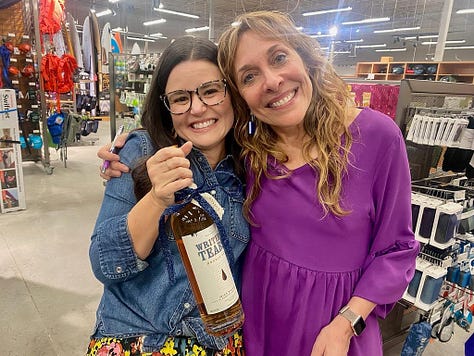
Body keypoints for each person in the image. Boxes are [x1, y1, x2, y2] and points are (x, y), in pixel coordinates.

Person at [99, 11, 419, 356]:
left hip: (334, 331)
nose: (272, 81)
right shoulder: (250, 152)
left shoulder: (376, 137)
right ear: (241, 97)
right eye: (249, 76)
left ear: (306, 58)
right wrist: (127, 157)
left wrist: (346, 325)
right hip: (257, 328)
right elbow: (109, 253)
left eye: (279, 57)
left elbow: (396, 250)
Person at [88, 36, 249, 356]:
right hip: (138, 339)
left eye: (211, 90)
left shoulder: (253, 163)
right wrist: (156, 198)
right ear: (166, 106)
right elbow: (104, 265)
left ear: (231, 92)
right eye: (180, 98)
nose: (198, 107)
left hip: (218, 341)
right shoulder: (139, 151)